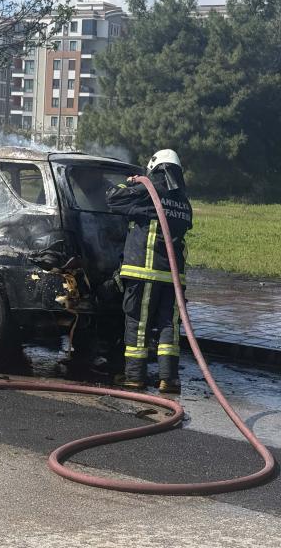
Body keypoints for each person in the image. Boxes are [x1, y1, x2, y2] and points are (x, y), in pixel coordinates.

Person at [105, 149, 192, 393]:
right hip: (173, 277)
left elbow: (112, 198)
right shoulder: (183, 200)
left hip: (145, 271)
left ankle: (134, 377)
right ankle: (169, 379)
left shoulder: (149, 190)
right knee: (168, 326)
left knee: (138, 323)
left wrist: (131, 182)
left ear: (154, 168)